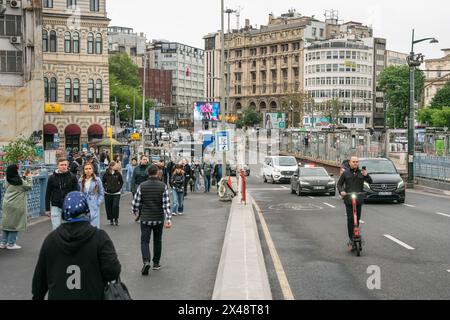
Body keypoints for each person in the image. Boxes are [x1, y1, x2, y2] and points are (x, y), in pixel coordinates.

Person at [32, 192, 121, 300]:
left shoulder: (51, 240)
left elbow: (39, 281)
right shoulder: (100, 238)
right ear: (87, 212)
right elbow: (113, 271)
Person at [131, 165, 172, 276]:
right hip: (158, 218)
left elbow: (136, 202)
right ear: (158, 173)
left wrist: (135, 211)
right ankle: (156, 263)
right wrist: (168, 218)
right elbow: (166, 204)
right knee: (157, 240)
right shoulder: (163, 186)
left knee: (145, 241)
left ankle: (146, 261)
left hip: (145, 218)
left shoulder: (142, 186)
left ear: (147, 173)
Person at [337, 156, 373, 251]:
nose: (356, 163)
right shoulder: (345, 173)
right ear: (350, 162)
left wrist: (366, 175)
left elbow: (370, 181)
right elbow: (339, 184)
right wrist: (341, 191)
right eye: (354, 162)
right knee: (350, 219)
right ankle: (351, 238)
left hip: (358, 199)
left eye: (357, 162)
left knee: (357, 218)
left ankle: (356, 234)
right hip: (349, 199)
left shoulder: (361, 172)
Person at [0, 165, 33, 250]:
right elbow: (29, 186)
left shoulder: (7, 180)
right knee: (15, 224)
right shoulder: (20, 182)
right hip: (17, 205)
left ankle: (3, 242)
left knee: (6, 223)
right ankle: (11, 243)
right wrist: (29, 177)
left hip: (7, 204)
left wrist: (24, 176)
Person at [46, 158, 80, 230]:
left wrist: (76, 207)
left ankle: (68, 241)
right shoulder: (52, 178)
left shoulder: (72, 177)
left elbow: (76, 193)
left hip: (68, 206)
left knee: (69, 229)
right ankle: (58, 241)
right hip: (55, 206)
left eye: (65, 165)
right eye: (61, 165)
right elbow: (48, 193)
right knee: (56, 229)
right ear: (57, 166)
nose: (64, 166)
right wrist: (47, 209)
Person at [79, 163, 104, 229]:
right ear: (84, 170)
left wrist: (98, 202)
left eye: (90, 168)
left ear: (92, 170)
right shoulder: (80, 180)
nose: (88, 170)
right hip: (84, 204)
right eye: (86, 169)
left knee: (94, 225)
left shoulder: (97, 180)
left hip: (94, 203)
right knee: (85, 224)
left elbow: (101, 192)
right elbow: (79, 193)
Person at [102, 162, 124, 226]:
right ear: (111, 166)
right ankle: (111, 219)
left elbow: (121, 182)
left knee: (115, 206)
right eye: (115, 165)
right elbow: (103, 181)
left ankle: (116, 219)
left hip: (116, 193)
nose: (117, 166)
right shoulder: (106, 174)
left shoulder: (118, 174)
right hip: (108, 193)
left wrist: (119, 188)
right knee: (109, 207)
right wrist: (105, 188)